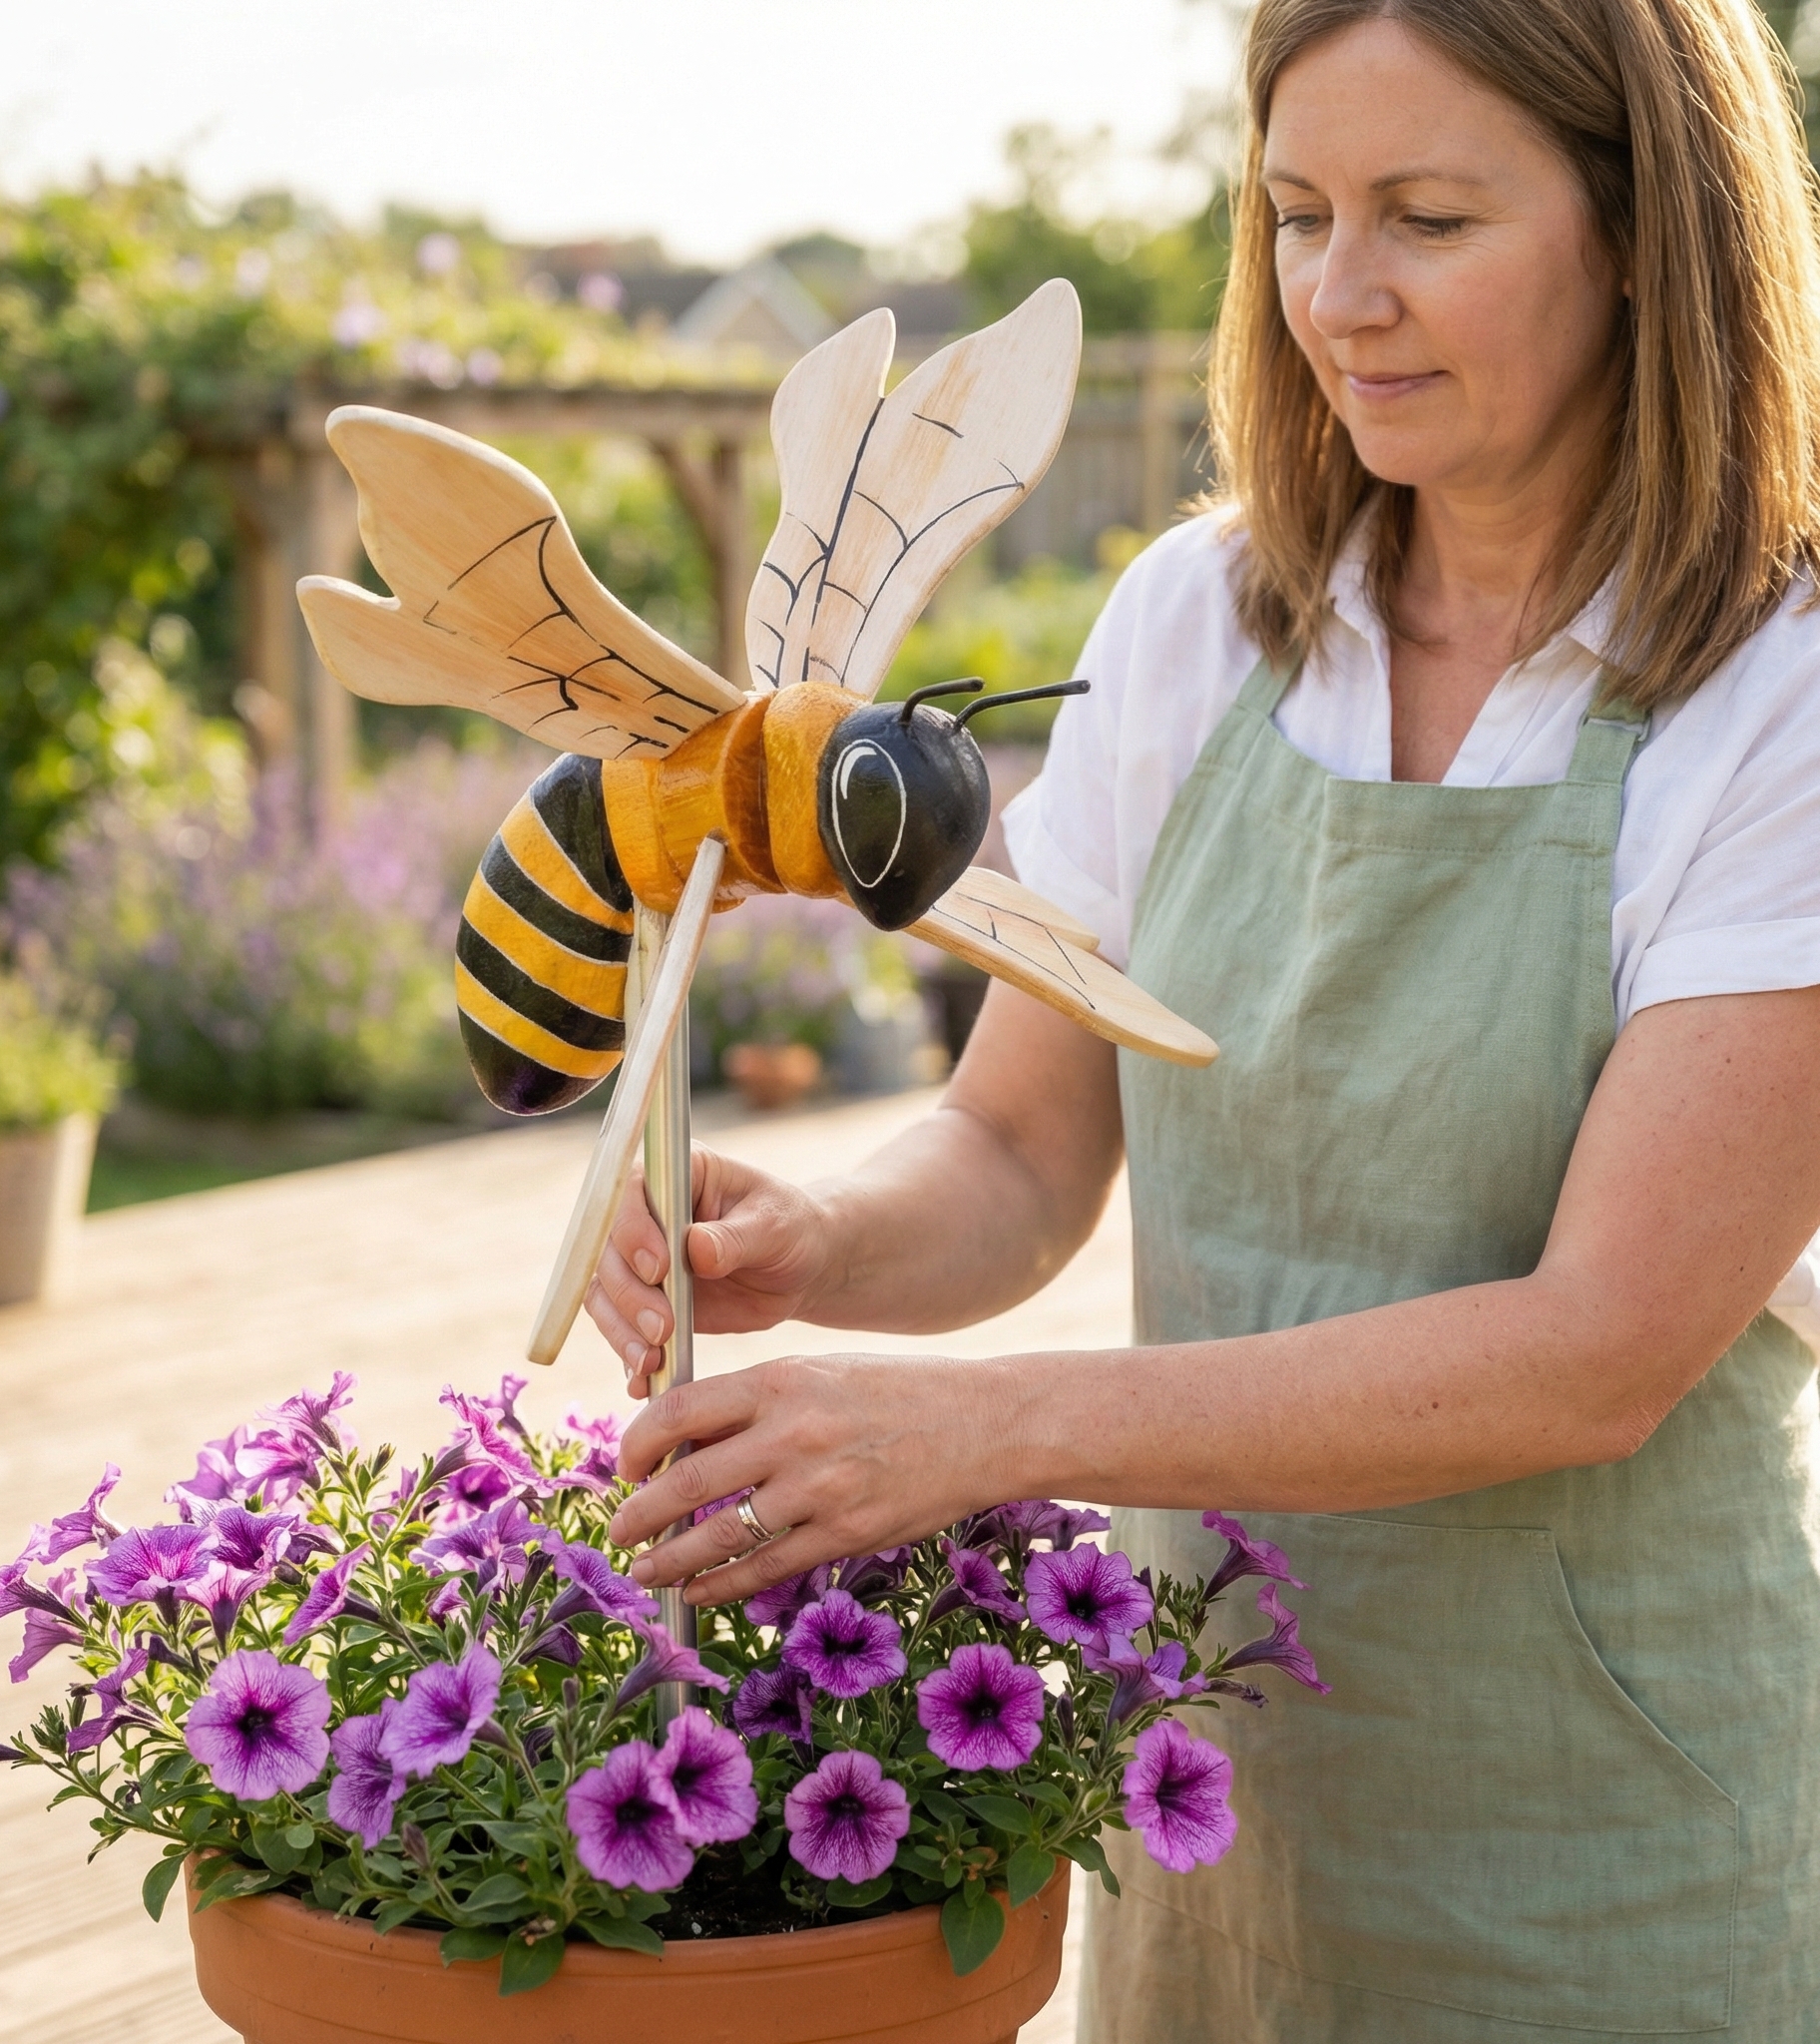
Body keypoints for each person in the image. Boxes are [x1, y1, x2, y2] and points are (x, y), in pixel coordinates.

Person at [594, 0, 1820, 2034]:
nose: (1340, 297)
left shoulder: (1776, 696)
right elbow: (1013, 1149)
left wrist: (981, 1433)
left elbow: (1595, 1351)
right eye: (1293, 212)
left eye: (1428, 217)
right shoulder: (1197, 617)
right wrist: (824, 1246)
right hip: (1213, 1792)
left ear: (1637, 232)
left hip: (1618, 1828)